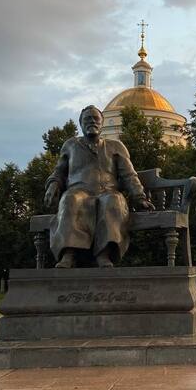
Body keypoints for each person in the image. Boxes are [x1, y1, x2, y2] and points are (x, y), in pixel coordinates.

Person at [45, 105, 154, 268]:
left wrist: (140, 197)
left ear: (102, 123)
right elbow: (59, 172)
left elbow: (129, 175)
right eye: (87, 119)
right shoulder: (70, 145)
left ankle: (104, 254)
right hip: (78, 191)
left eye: (96, 118)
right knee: (70, 199)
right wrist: (53, 184)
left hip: (107, 192)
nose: (92, 122)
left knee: (113, 201)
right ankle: (69, 254)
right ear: (81, 123)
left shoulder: (115, 146)